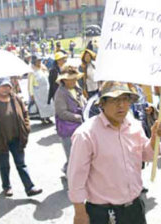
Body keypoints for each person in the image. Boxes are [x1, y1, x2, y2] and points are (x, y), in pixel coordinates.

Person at [68, 81, 161, 224]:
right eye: (114, 100)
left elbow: (147, 155)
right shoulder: (86, 134)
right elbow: (76, 178)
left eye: (125, 99)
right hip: (104, 213)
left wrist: (154, 137)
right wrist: (79, 213)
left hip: (135, 208)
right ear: (102, 104)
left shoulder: (134, 126)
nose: (121, 105)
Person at [0, 78, 43, 197]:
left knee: (21, 163)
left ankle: (30, 187)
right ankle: (6, 187)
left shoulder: (16, 99)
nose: (5, 88)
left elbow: (25, 113)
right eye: (2, 86)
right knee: (4, 165)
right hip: (0, 139)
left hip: (16, 138)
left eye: (7, 86)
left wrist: (26, 127)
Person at [54, 65, 85, 175]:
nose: (73, 81)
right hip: (67, 129)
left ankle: (69, 170)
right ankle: (71, 177)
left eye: (74, 78)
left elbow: (82, 102)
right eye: (71, 79)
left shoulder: (77, 89)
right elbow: (62, 113)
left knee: (80, 155)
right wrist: (78, 117)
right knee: (71, 155)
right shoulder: (60, 93)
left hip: (80, 127)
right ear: (64, 80)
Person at [28, 54, 54, 124]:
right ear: (34, 62)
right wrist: (31, 94)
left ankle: (48, 117)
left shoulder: (43, 68)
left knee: (48, 104)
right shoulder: (32, 72)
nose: (39, 62)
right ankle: (43, 118)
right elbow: (30, 84)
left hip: (46, 90)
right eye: (37, 61)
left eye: (40, 60)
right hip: (38, 92)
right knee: (41, 106)